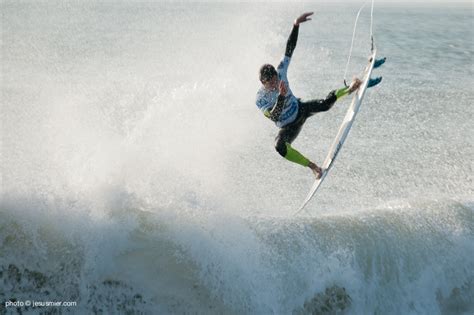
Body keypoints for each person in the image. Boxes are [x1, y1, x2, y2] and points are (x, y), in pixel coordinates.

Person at [256, 12, 364, 179]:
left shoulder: (281, 72)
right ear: (264, 83)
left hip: (300, 109)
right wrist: (281, 97)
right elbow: (273, 116)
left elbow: (289, 50)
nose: (276, 84)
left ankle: (351, 87)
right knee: (279, 147)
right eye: (271, 83)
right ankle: (313, 166)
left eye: (276, 80)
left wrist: (295, 25)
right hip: (289, 127)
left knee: (325, 104)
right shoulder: (261, 99)